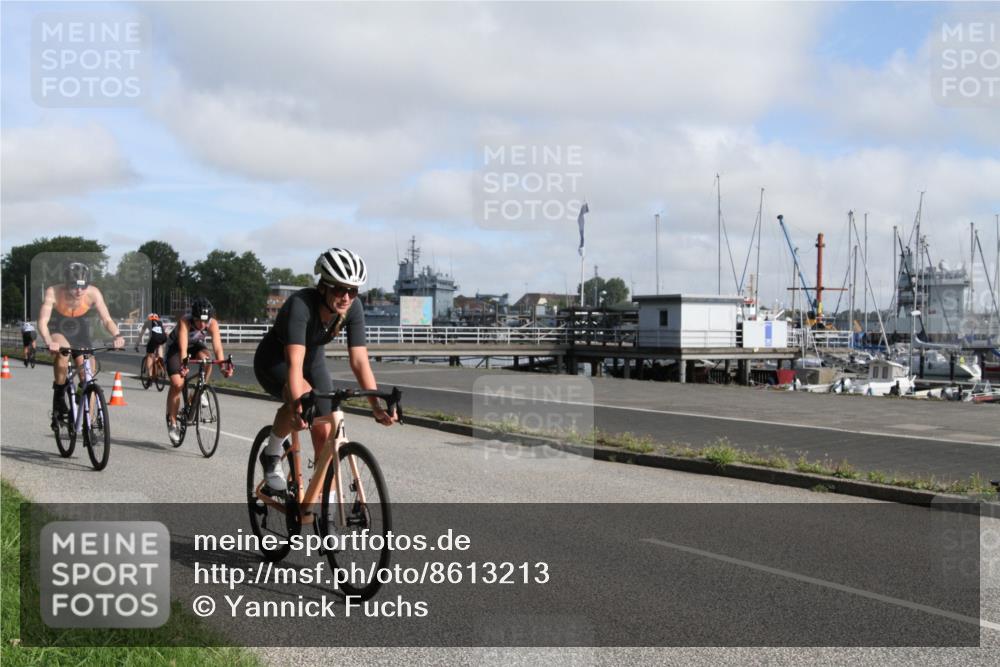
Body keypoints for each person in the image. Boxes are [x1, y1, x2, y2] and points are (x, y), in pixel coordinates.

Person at [253, 247, 395, 492]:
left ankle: (324, 506)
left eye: (353, 290)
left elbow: (360, 361)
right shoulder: (301, 305)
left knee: (325, 430)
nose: (347, 297)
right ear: (323, 286)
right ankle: (272, 452)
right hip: (276, 360)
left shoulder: (353, 308)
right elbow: (295, 363)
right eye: (340, 289)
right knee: (304, 400)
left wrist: (376, 405)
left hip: (314, 359)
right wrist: (298, 405)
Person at [37, 262, 125, 426]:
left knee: (87, 376)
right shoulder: (53, 292)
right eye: (74, 286)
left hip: (81, 332)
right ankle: (59, 393)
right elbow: (42, 320)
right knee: (64, 353)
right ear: (66, 283)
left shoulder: (94, 293)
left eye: (83, 287)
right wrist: (49, 341)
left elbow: (106, 319)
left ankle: (87, 421)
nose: (79, 291)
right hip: (59, 329)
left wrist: (117, 335)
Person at [165, 297, 233, 444]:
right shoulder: (185, 321)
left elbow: (217, 348)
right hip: (176, 348)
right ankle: (173, 423)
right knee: (178, 384)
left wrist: (222, 367)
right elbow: (183, 348)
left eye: (205, 321)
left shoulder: (212, 323)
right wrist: (184, 366)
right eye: (198, 321)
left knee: (207, 359)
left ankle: (199, 390)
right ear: (193, 317)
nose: (202, 325)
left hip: (195, 345)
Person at [136, 313, 169, 379]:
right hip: (163, 338)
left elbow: (141, 334)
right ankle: (161, 360)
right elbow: (164, 333)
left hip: (154, 338)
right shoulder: (159, 322)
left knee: (149, 354)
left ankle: (150, 376)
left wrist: (137, 344)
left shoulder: (147, 322)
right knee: (159, 345)